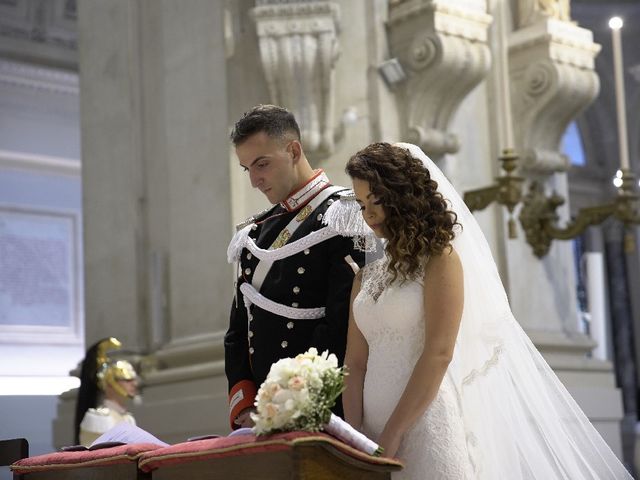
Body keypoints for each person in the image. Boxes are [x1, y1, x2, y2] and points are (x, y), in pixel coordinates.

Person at [340, 142, 632, 479]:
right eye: (362, 205)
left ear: (403, 196)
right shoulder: (365, 276)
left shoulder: (441, 261)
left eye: (376, 202)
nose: (369, 216)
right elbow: (355, 362)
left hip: (423, 425)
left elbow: (438, 353)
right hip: (369, 431)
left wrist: (393, 433)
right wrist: (353, 431)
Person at [225, 105, 368, 430]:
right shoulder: (254, 233)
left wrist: (297, 401)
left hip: (321, 408)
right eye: (248, 169)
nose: (255, 181)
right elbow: (237, 332)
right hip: (263, 415)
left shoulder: (343, 214)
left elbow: (343, 323)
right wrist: (247, 405)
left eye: (262, 164)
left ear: (294, 150)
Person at [74, 337, 139, 446]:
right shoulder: (98, 417)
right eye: (127, 380)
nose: (134, 384)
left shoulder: (128, 418)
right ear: (110, 383)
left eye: (133, 379)